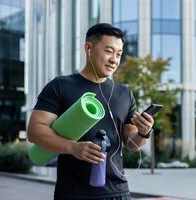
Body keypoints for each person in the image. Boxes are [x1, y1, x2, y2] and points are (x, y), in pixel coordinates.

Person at [27, 23, 154, 200]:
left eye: (119, 54)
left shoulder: (124, 93)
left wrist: (144, 132)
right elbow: (34, 131)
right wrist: (72, 147)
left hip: (118, 193)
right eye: (109, 51)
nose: (114, 59)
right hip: (73, 193)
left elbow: (132, 143)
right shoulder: (60, 86)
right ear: (88, 48)